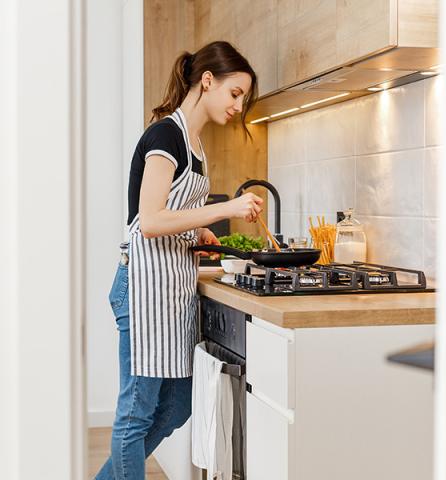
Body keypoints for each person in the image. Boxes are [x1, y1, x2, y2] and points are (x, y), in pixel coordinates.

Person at [94, 40, 263, 480]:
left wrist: (196, 231)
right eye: (235, 93)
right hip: (143, 288)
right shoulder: (165, 135)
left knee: (179, 402)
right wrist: (225, 210)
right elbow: (148, 221)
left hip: (169, 288)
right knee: (136, 413)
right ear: (207, 81)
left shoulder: (197, 146)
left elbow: (169, 213)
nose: (238, 105)